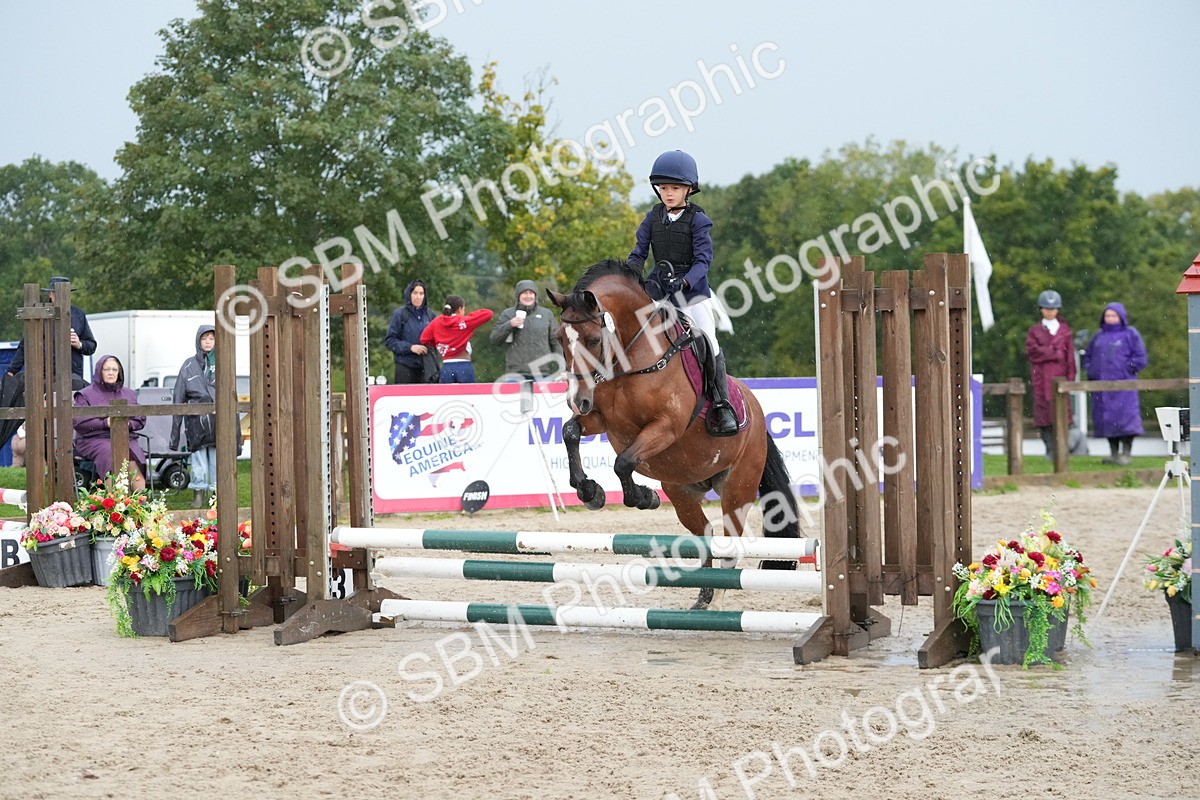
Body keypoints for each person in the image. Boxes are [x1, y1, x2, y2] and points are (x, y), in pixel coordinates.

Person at [626, 150, 738, 437]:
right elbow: (639, 253)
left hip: (692, 293)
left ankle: (723, 405)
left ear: (688, 189)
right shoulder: (653, 217)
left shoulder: (699, 220)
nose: (668, 193)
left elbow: (703, 261)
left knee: (709, 341)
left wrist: (686, 282)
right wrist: (628, 277)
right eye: (663, 188)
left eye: (674, 188)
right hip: (659, 290)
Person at [1084, 302, 1148, 465]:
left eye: (1113, 315)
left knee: (1126, 420)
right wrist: (1092, 372)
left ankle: (1126, 454)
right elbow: (1088, 357)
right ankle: (1113, 454)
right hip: (1102, 389)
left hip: (1125, 388)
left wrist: (1127, 369)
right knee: (1107, 421)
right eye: (1108, 315)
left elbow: (1140, 357)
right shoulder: (1098, 336)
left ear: (1121, 316)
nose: (1110, 318)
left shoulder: (1130, 334)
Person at [7, 276, 97, 391]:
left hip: (72, 378)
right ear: (50, 294)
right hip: (42, 377)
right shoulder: (39, 314)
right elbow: (24, 346)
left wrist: (79, 344)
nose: (63, 297)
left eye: (66, 293)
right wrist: (11, 371)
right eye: (58, 293)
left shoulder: (79, 314)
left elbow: (91, 346)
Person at [73, 355, 147, 490]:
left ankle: (140, 505)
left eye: (114, 369)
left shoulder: (129, 394)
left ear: (119, 373)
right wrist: (105, 423)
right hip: (94, 439)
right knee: (110, 453)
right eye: (106, 369)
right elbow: (78, 422)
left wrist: (128, 424)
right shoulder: (84, 395)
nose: (111, 373)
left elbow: (140, 418)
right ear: (99, 371)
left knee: (133, 457)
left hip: (125, 437)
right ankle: (115, 502)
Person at [169, 325, 218, 507]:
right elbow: (178, 396)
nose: (207, 341)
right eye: (204, 338)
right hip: (196, 423)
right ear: (198, 341)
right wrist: (174, 437)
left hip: (218, 422)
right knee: (198, 464)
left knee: (216, 462)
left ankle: (215, 496)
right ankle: (198, 493)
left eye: (211, 338)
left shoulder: (224, 362)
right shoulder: (189, 365)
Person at [1025, 290, 1076, 461]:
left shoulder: (1065, 331)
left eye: (1053, 308)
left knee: (1062, 416)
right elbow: (1032, 353)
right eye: (1046, 308)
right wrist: (1053, 353)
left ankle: (1061, 449)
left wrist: (1070, 380)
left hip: (1060, 378)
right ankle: (1049, 450)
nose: (1050, 311)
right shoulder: (1034, 331)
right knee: (1043, 417)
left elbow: (1069, 358)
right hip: (1041, 379)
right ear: (1041, 309)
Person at [489, 279, 563, 381]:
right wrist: (510, 324)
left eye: (531, 293)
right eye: (524, 293)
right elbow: (494, 339)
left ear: (535, 296)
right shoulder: (508, 314)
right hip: (515, 373)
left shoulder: (547, 314)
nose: (528, 296)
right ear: (518, 296)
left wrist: (562, 367)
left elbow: (556, 342)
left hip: (542, 373)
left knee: (542, 398)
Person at [419, 296, 493, 383]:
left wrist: (441, 344)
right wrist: (470, 317)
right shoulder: (463, 321)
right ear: (459, 309)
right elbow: (488, 313)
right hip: (463, 366)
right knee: (469, 396)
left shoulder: (437, 322)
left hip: (446, 366)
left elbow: (424, 338)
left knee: (446, 396)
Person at [383, 279, 435, 384]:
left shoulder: (430, 315)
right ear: (409, 294)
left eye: (421, 293)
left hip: (426, 367)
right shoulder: (400, 315)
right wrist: (410, 347)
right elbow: (390, 341)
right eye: (415, 293)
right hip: (405, 366)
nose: (418, 297)